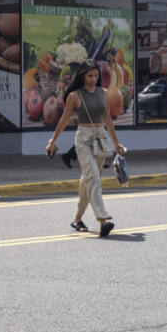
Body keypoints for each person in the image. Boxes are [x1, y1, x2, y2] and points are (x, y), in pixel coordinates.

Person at [45, 64, 126, 237]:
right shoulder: (75, 96)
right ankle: (103, 219)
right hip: (83, 138)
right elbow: (64, 119)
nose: (93, 79)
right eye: (90, 76)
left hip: (100, 136)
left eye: (96, 75)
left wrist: (116, 143)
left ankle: (77, 218)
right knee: (93, 177)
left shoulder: (103, 93)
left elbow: (107, 119)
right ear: (83, 76)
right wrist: (53, 141)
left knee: (87, 180)